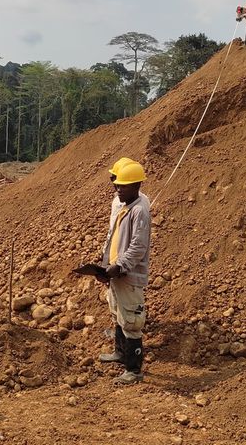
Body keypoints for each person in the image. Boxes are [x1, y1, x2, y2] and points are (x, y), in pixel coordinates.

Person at [99, 161, 151, 385]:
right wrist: (104, 263)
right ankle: (120, 353)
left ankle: (134, 369)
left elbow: (138, 247)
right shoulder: (124, 207)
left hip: (127, 275)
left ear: (137, 185)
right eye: (117, 185)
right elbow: (115, 240)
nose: (118, 189)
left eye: (124, 186)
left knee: (131, 320)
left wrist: (119, 266)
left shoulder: (139, 211)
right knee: (118, 314)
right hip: (117, 274)